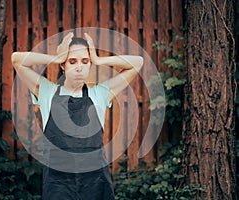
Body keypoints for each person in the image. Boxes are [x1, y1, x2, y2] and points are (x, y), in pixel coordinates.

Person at [11, 32, 144, 200]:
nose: (79, 67)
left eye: (85, 61)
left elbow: (137, 63)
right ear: (63, 65)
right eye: (72, 61)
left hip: (95, 182)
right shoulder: (47, 92)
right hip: (58, 184)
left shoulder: (100, 94)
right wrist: (55, 57)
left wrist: (99, 60)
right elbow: (16, 59)